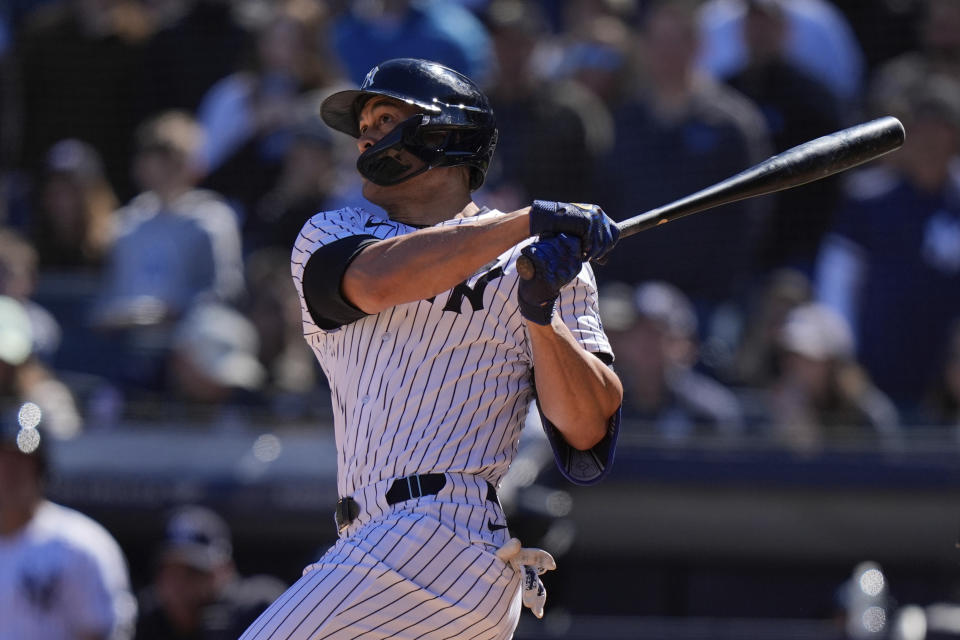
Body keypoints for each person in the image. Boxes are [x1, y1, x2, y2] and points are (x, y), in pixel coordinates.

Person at [240, 57, 623, 639]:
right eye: (363, 122)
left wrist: (543, 317)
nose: (365, 133)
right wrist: (522, 223)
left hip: (442, 528)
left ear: (445, 132)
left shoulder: (539, 266)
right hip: (378, 541)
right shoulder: (334, 231)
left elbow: (587, 428)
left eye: (385, 116)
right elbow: (379, 281)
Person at [0, 405, 137, 640]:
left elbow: (101, 630)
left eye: (20, 464)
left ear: (40, 471)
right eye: (3, 464)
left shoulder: (80, 543)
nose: (9, 475)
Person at [600, 280, 745, 442]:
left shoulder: (711, 413)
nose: (647, 343)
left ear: (684, 344)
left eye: (659, 332)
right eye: (638, 331)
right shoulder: (605, 406)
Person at [135, 504, 287, 640]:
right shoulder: (147, 615)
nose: (179, 586)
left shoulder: (258, 608)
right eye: (171, 573)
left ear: (224, 569)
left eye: (193, 572)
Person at [764, 303, 900, 452]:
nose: (794, 366)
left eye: (806, 359)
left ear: (834, 364)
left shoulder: (870, 415)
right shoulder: (780, 407)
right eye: (791, 356)